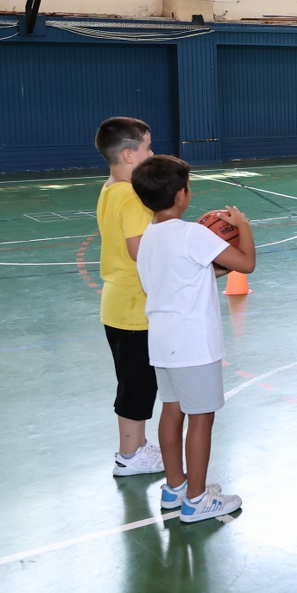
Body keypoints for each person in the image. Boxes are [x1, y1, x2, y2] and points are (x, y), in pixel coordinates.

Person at [131, 156, 255, 524]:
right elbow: (246, 263)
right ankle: (197, 499)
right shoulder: (192, 234)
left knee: (172, 411)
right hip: (193, 343)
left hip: (162, 341)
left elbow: (181, 277)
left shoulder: (148, 237)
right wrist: (243, 226)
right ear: (181, 195)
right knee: (201, 418)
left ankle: (175, 488)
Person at [94, 116, 164, 479]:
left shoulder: (109, 189)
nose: (151, 154)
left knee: (132, 381)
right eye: (148, 148)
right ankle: (129, 455)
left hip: (117, 303)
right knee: (138, 386)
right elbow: (141, 252)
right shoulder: (131, 196)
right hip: (135, 306)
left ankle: (136, 447)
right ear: (128, 154)